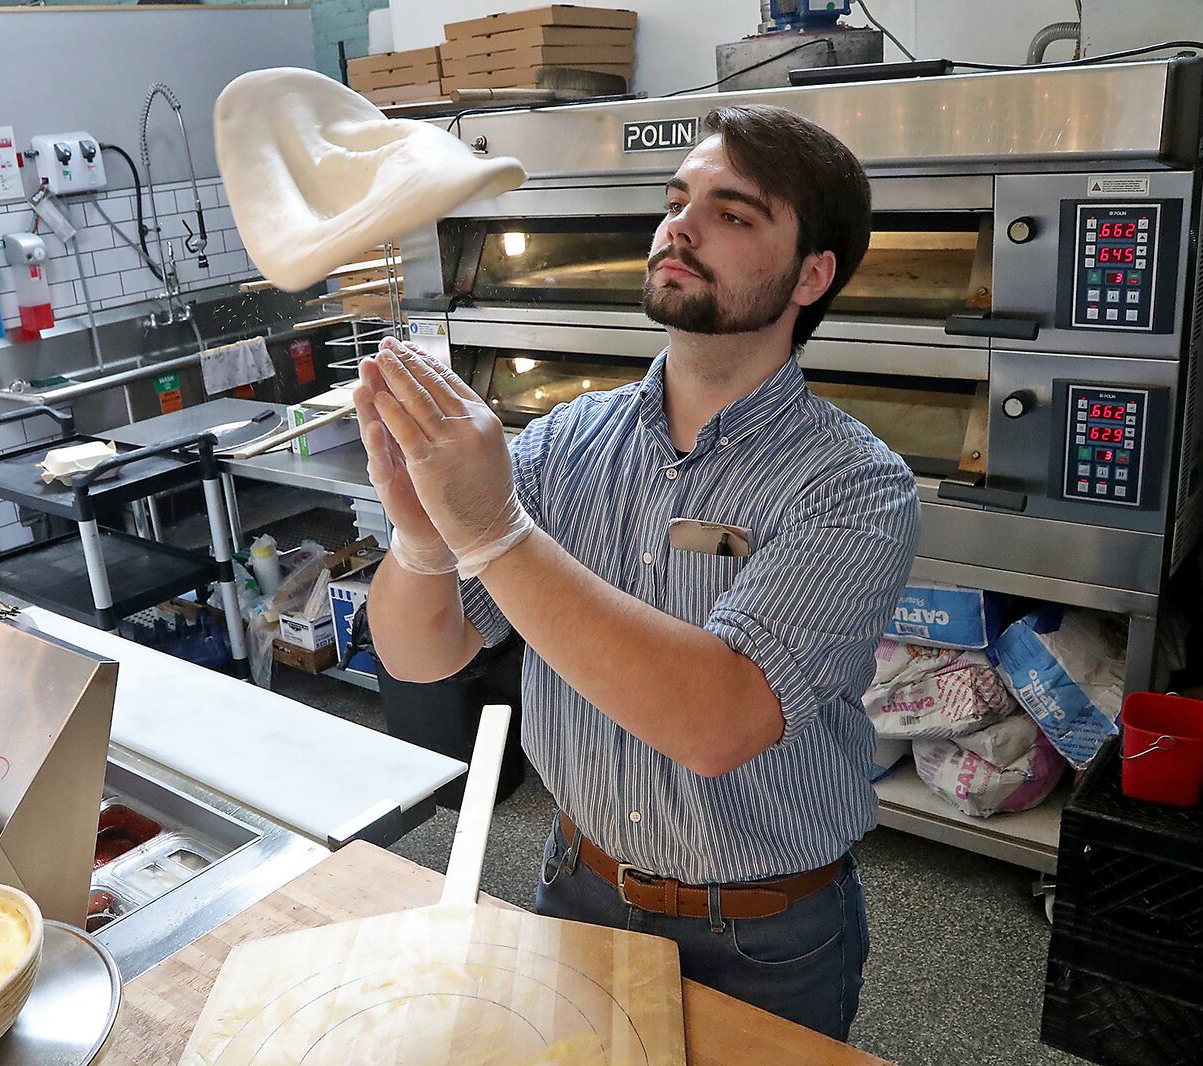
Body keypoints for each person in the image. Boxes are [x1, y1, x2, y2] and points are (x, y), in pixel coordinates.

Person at [353, 104, 920, 1041]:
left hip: (762, 935)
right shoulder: (569, 441)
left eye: (734, 215)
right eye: (676, 200)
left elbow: (717, 722)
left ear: (812, 275)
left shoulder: (854, 487)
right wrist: (423, 541)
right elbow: (421, 656)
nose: (679, 229)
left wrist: (493, 533)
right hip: (573, 885)